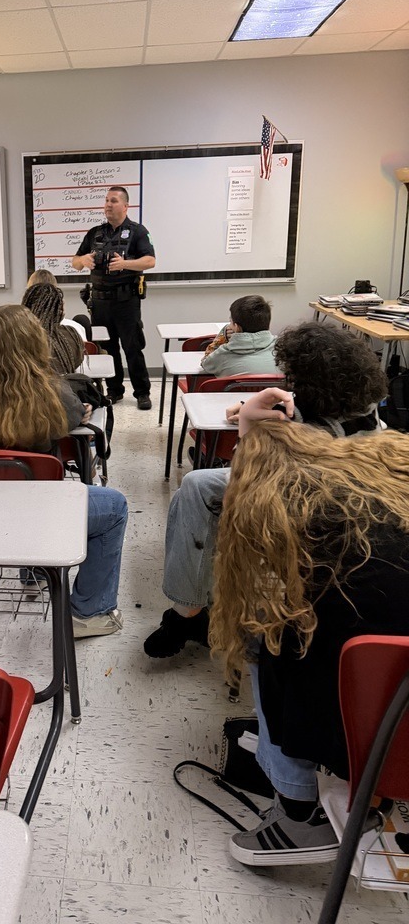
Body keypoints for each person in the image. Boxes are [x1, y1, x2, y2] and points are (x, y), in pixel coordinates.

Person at [210, 412, 409, 865]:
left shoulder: (309, 530)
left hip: (377, 710)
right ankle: (371, 783)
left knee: (268, 636)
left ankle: (299, 811)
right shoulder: (385, 473)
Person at [144, 321, 387, 659]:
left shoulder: (320, 427)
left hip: (309, 498)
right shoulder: (360, 405)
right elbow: (301, 414)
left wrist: (250, 424)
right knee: (201, 494)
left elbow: (256, 470)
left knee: (197, 487)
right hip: (342, 493)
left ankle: (186, 614)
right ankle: (190, 609)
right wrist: (253, 409)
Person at [0, 304, 128, 637]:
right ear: (35, 341)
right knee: (113, 507)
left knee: (18, 487)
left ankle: (34, 574)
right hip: (33, 518)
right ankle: (88, 612)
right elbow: (71, 419)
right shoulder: (49, 391)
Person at [72, 186, 156, 409]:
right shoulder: (95, 233)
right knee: (108, 349)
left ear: (126, 206)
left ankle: (142, 393)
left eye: (114, 201)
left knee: (132, 347)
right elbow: (75, 261)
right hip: (100, 303)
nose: (108, 205)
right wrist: (84, 261)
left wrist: (125, 264)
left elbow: (150, 261)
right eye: (107, 200)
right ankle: (114, 390)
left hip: (126, 301)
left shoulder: (137, 232)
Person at [199, 295, 278, 376]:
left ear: (237, 328)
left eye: (230, 321)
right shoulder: (282, 349)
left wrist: (222, 337)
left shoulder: (222, 354)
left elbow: (205, 363)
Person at [22, 282, 84, 375]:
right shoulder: (71, 334)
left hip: (28, 389)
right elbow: (77, 362)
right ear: (59, 310)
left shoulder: (18, 336)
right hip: (64, 388)